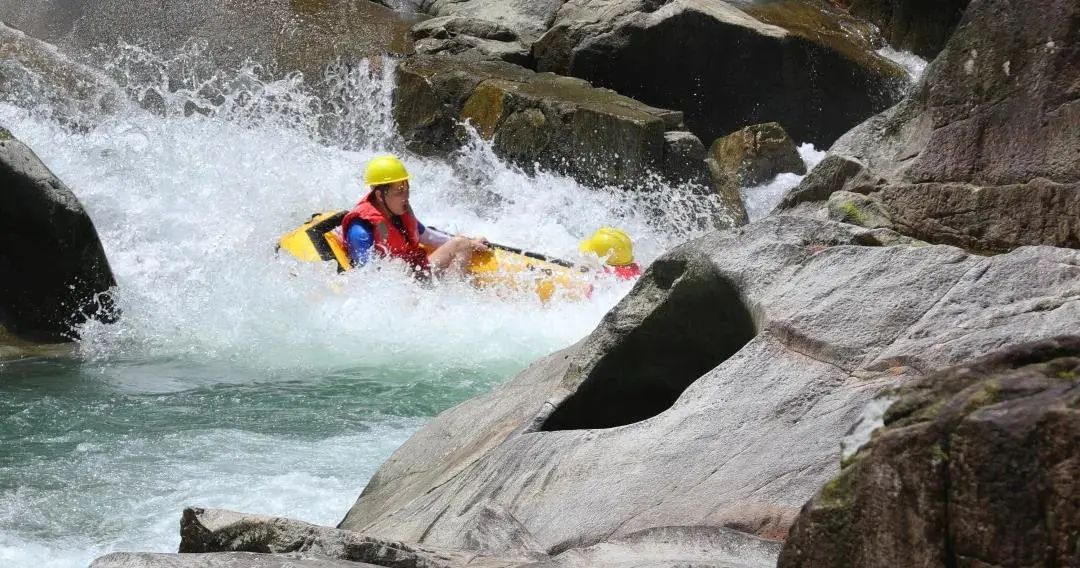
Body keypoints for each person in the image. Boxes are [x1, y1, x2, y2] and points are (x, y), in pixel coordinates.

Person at [341, 155, 487, 275]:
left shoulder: (398, 212)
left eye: (406, 189)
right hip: (404, 283)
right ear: (380, 195)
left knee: (463, 243)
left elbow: (427, 235)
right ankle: (458, 291)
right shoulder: (360, 230)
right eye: (399, 192)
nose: (406, 197)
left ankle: (459, 286)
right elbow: (366, 274)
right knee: (460, 244)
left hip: (414, 272)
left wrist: (471, 242)